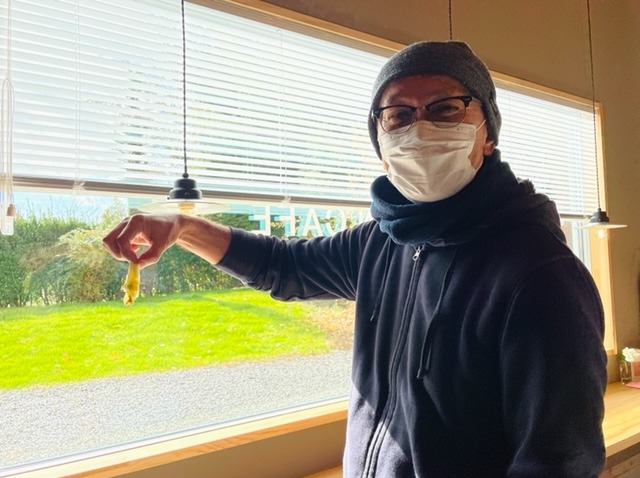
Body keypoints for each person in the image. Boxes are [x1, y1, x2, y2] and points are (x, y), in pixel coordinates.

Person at [103, 41, 607, 477]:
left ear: (488, 134)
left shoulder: (539, 275)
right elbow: (285, 267)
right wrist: (184, 226)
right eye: (399, 115)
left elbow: (558, 462)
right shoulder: (381, 242)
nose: (420, 128)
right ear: (382, 145)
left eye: (445, 108)